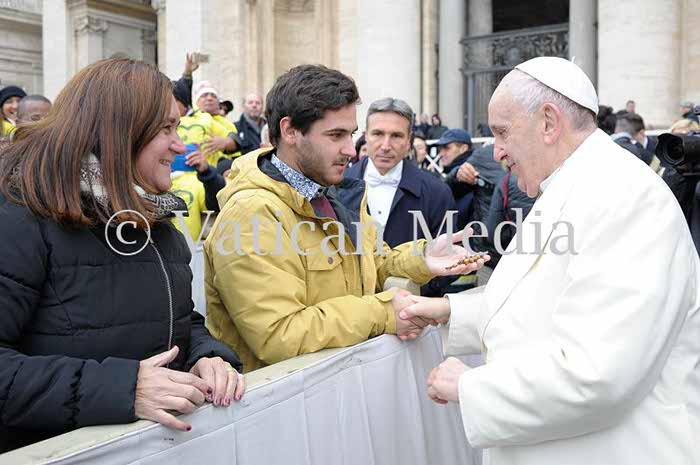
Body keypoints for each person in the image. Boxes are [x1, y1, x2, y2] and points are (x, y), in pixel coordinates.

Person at [399, 57, 700, 465]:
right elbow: (542, 294)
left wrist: (472, 387)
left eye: (502, 132)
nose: (496, 151)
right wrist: (449, 311)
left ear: (548, 122)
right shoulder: (573, 183)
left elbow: (600, 375)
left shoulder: (625, 196)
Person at [0, 59, 245, 453]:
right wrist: (123, 388)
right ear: (118, 132)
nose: (179, 145)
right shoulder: (19, 215)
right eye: (166, 129)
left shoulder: (155, 216)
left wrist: (206, 356)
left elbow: (178, 320)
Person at [204, 65, 487, 373]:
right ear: (290, 131)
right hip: (285, 399)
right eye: (336, 135)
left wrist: (422, 258)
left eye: (351, 134)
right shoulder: (251, 212)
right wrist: (384, 313)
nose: (352, 150)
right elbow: (280, 334)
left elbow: (370, 264)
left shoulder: (332, 192)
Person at [344, 98, 456, 247]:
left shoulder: (437, 193)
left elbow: (446, 254)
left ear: (409, 141)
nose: (385, 146)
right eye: (378, 134)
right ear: (366, 136)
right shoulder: (337, 186)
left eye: (396, 136)